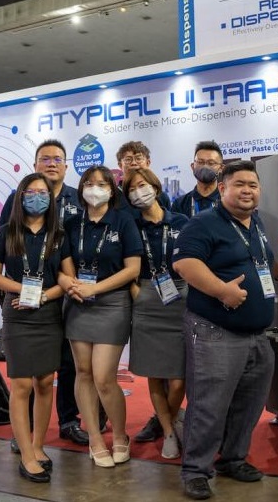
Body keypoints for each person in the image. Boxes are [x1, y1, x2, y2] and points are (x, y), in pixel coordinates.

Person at [173, 160, 278, 500]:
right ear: (222, 188)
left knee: (249, 404)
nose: (247, 191)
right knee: (208, 406)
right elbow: (184, 263)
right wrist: (221, 291)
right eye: (239, 184)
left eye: (253, 185)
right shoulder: (203, 223)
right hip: (215, 330)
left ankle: (233, 459)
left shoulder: (256, 222)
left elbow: (262, 261)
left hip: (257, 334)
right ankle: (195, 470)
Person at [0, 140, 89, 449]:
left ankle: (68, 421)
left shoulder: (79, 199)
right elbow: (6, 250)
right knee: (26, 374)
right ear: (35, 164)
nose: (51, 163)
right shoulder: (15, 199)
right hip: (24, 299)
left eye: (57, 159)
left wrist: (67, 282)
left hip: (65, 292)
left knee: (64, 364)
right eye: (45, 159)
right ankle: (23, 431)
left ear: (66, 165)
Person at [0, 173, 70, 483]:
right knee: (21, 385)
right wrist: (23, 290)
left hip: (48, 314)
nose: (37, 197)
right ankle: (25, 453)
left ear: (51, 198)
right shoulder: (7, 232)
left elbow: (67, 278)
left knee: (45, 382)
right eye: (31, 192)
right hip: (18, 313)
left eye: (43, 192)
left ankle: (37, 445)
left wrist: (44, 295)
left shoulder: (58, 235)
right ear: (21, 197)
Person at [58, 165, 142, 468]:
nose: (95, 188)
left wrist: (95, 287)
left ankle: (119, 435)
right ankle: (94, 438)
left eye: (102, 184)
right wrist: (71, 284)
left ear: (111, 189)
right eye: (89, 183)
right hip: (78, 303)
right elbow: (63, 262)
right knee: (82, 372)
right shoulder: (71, 223)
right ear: (81, 189)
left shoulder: (123, 221)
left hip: (113, 303)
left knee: (104, 378)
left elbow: (132, 269)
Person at [123, 167, 189, 459]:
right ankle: (170, 432)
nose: (139, 191)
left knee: (178, 378)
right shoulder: (131, 226)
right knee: (154, 373)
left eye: (143, 185)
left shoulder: (181, 221)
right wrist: (136, 293)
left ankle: (170, 419)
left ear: (155, 186)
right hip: (147, 299)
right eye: (132, 189)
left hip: (181, 297)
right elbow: (124, 263)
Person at [116, 141, 171, 213]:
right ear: (120, 165)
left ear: (148, 163)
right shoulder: (113, 198)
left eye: (138, 158)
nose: (134, 163)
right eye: (128, 159)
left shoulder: (161, 196)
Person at [172, 141, 224, 218]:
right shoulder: (179, 204)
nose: (205, 166)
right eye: (200, 162)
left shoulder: (229, 202)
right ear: (192, 166)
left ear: (221, 168)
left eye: (211, 163)